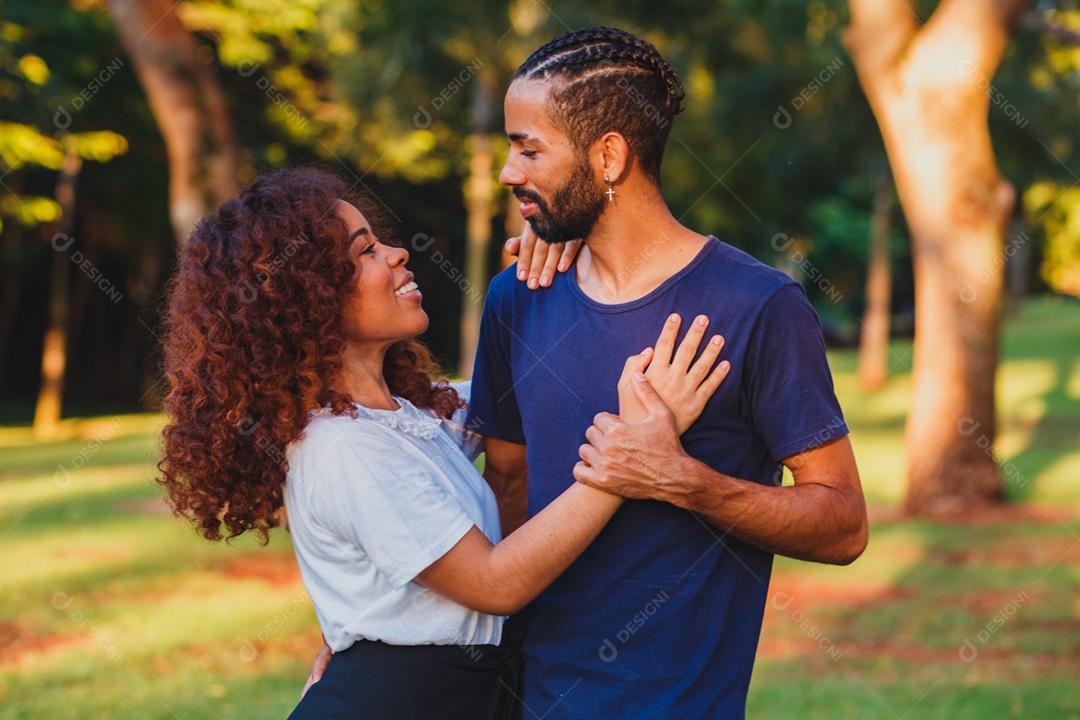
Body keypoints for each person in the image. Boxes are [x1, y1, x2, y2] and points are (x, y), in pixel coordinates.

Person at [157, 166, 731, 719]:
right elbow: (495, 582)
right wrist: (622, 463)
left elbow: (535, 389)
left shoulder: (409, 413)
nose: (396, 253)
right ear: (309, 299)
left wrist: (571, 248)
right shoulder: (341, 448)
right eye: (365, 251)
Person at [463, 26, 868, 718]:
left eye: (528, 149)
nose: (508, 173)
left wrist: (685, 482)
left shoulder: (756, 307)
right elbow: (506, 485)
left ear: (610, 156)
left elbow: (843, 525)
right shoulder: (515, 299)